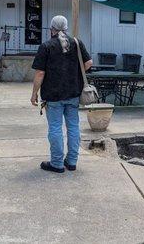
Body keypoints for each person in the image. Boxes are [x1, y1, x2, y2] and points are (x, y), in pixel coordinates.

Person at [31, 15, 92, 173]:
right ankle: (71, 162)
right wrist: (73, 73)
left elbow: (39, 74)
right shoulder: (77, 43)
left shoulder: (46, 46)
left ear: (51, 29)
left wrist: (34, 94)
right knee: (73, 127)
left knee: (55, 128)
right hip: (73, 93)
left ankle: (57, 163)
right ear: (66, 28)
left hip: (53, 95)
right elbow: (88, 63)